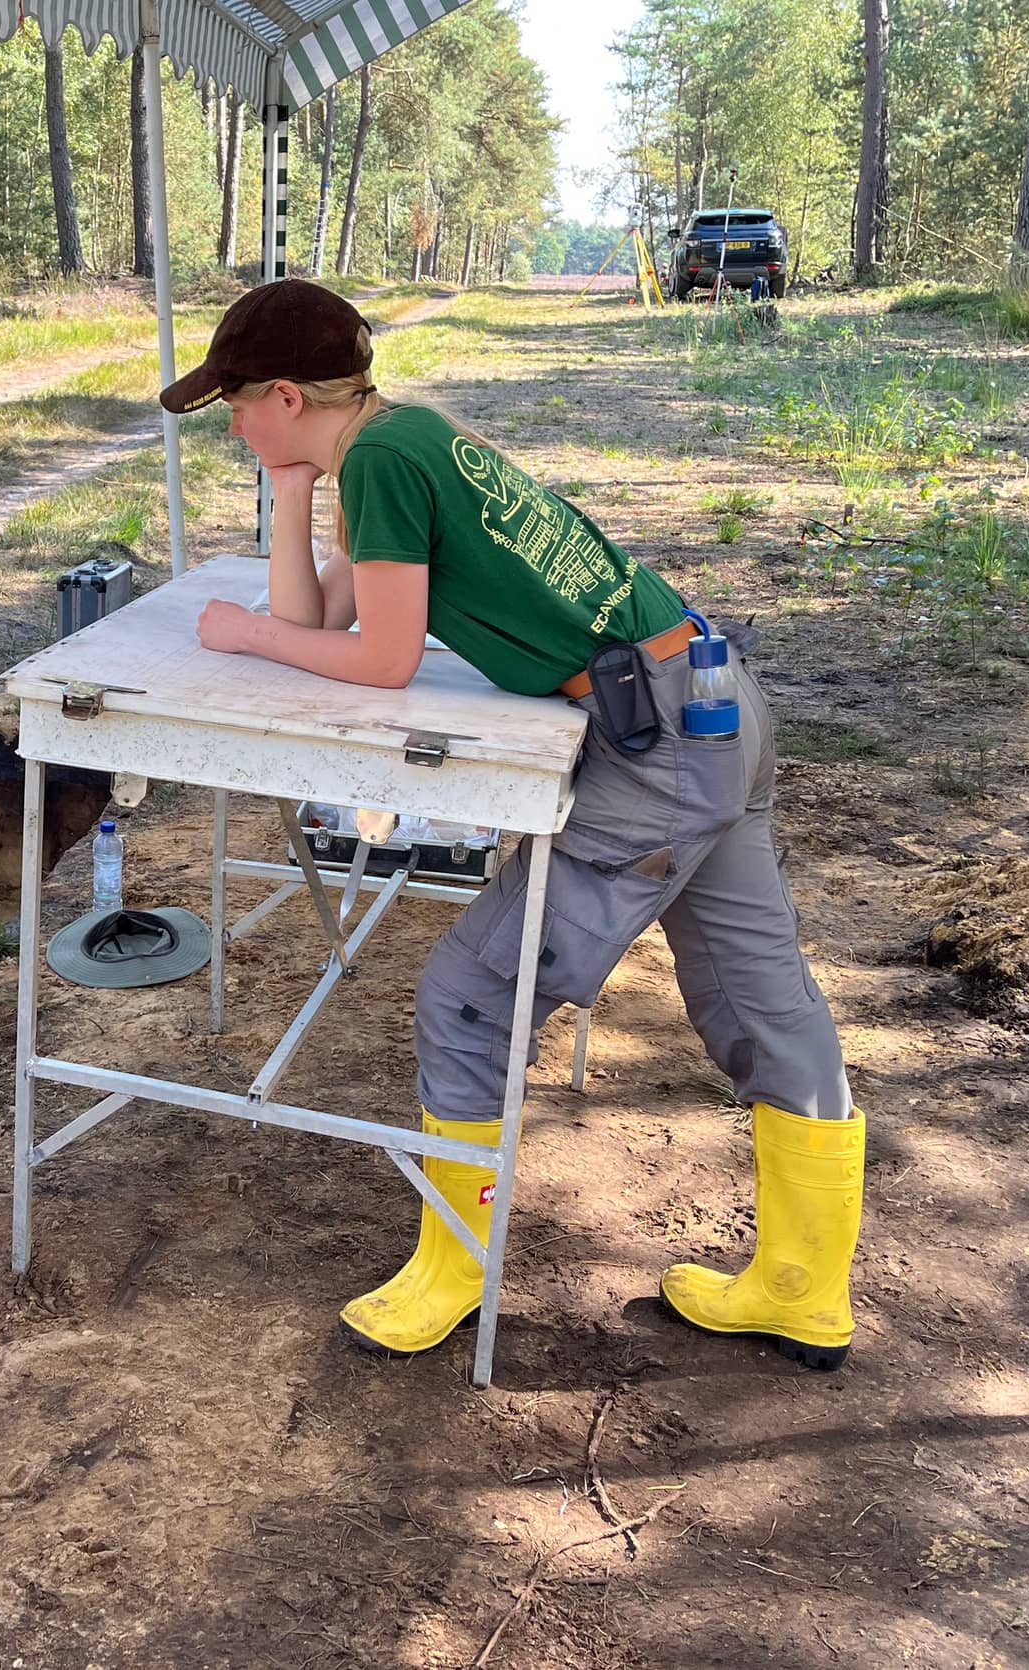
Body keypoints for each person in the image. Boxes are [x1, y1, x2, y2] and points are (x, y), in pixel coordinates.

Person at [160, 280, 864, 1370]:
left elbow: (376, 662)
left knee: (472, 996)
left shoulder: (386, 464)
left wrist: (242, 640)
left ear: (286, 394)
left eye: (236, 409)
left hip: (657, 744)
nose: (232, 428)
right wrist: (289, 496)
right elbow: (324, 614)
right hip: (709, 702)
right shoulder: (402, 438)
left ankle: (452, 1267)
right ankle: (803, 1289)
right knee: (759, 997)